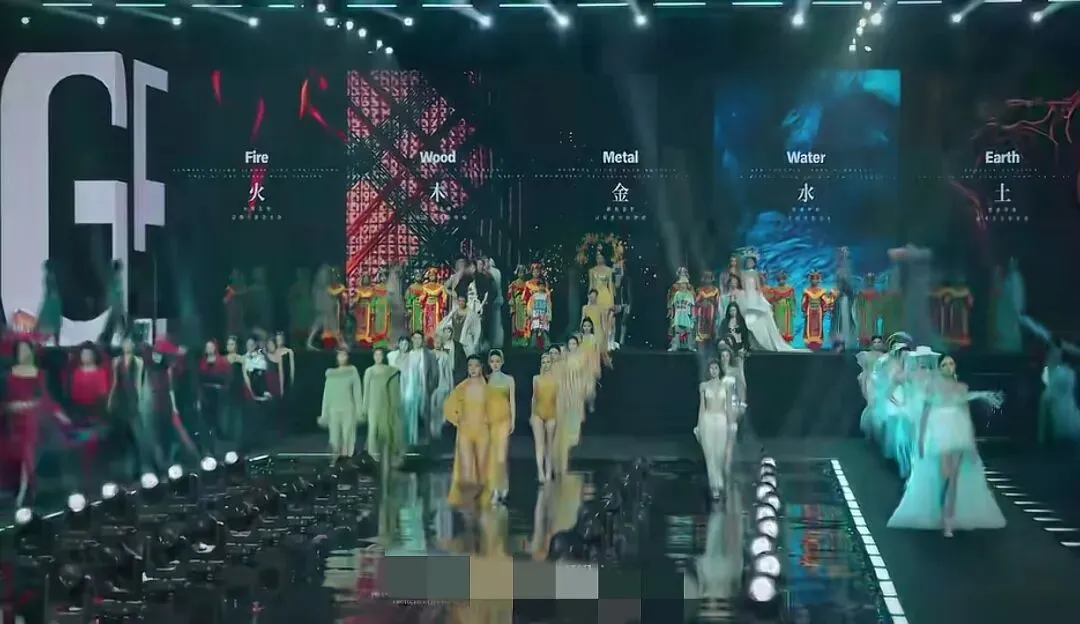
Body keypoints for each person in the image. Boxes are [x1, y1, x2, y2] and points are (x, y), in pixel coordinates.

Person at [887, 355, 1006, 536]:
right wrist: (921, 441)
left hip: (959, 432)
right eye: (944, 364)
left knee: (953, 479)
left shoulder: (961, 387)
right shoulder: (932, 386)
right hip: (939, 434)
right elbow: (925, 415)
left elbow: (966, 414)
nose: (948, 367)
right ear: (939, 368)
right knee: (945, 476)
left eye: (951, 363)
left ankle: (948, 520)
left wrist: (972, 442)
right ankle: (942, 513)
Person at [444, 355, 500, 506]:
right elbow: (449, 409)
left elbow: (497, 409)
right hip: (465, 432)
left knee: (483, 466)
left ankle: (483, 498)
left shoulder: (489, 389)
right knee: (467, 467)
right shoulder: (461, 388)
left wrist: (490, 420)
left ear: (481, 367)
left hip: (483, 432)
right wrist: (458, 420)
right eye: (470, 366)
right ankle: (468, 500)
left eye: (476, 366)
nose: (473, 369)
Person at [736, 249, 804, 352]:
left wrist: (759, 298)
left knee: (758, 320)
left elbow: (758, 286)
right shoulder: (742, 273)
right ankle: (752, 343)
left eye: (751, 261)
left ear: (754, 263)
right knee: (747, 321)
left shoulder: (755, 273)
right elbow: (743, 286)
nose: (749, 263)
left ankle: (763, 342)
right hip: (746, 297)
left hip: (754, 296)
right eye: (748, 261)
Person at [695, 356, 739, 501]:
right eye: (711, 368)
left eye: (715, 368)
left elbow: (729, 407)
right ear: (708, 370)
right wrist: (699, 425)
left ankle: (719, 482)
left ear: (719, 370)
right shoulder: (703, 386)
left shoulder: (726, 386)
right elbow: (702, 407)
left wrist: (731, 424)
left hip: (721, 420)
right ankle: (714, 486)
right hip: (707, 420)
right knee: (710, 454)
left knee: (719, 453)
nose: (713, 371)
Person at [108, 335, 147, 480]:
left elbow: (138, 383)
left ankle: (137, 468)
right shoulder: (116, 361)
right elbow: (115, 382)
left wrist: (140, 401)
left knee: (135, 434)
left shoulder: (138, 361)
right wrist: (111, 399)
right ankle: (122, 469)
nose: (127, 346)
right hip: (121, 397)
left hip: (132, 398)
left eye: (129, 344)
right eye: (125, 343)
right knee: (121, 435)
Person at [318, 347, 364, 464]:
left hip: (348, 408)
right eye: (340, 355)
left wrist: (359, 411)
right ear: (336, 357)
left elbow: (357, 392)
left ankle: (347, 463)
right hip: (333, 409)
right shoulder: (331, 374)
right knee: (334, 438)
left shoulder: (352, 371)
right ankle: (334, 463)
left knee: (348, 437)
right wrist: (324, 413)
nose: (342, 357)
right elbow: (327, 395)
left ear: (347, 357)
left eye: (344, 355)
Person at [362, 346, 403, 468]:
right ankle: (373, 455)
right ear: (373, 357)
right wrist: (364, 407)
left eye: (380, 355)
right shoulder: (369, 371)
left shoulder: (389, 370)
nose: (378, 357)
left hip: (385, 404)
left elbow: (394, 385)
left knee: (385, 430)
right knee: (372, 429)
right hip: (372, 405)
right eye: (376, 355)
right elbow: (366, 390)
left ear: (383, 356)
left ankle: (386, 454)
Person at [486, 349, 515, 504]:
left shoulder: (509, 379)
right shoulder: (486, 379)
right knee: (492, 456)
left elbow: (512, 401)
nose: (495, 364)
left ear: (502, 362)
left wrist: (513, 420)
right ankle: (495, 489)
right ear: (489, 363)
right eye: (492, 362)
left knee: (501, 457)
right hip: (490, 420)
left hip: (504, 419)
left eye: (497, 361)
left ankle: (504, 485)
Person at [197, 339, 232, 453]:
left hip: (218, 394)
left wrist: (223, 387)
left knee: (218, 418)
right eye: (207, 347)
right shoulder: (202, 362)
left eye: (211, 347)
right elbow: (199, 379)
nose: (209, 349)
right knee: (207, 420)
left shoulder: (222, 361)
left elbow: (227, 377)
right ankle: (209, 445)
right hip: (206, 393)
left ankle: (220, 443)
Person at [531, 350, 559, 483]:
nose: (546, 364)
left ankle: (548, 472)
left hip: (551, 414)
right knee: (539, 444)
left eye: (548, 362)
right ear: (541, 364)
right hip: (538, 413)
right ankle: (540, 472)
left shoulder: (557, 380)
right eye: (543, 362)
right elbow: (534, 397)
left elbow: (558, 399)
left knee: (549, 445)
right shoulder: (536, 378)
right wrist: (532, 414)